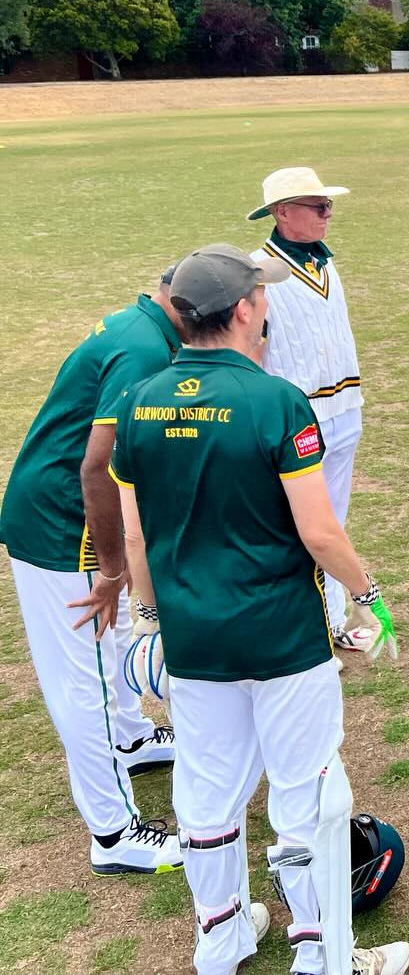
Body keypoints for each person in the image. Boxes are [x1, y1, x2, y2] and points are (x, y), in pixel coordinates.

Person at [110, 244, 409, 975]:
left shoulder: (137, 402)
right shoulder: (277, 400)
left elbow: (136, 535)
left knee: (208, 794)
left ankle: (221, 938)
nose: (268, 305)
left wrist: (149, 621)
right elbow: (319, 530)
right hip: (283, 640)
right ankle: (324, 955)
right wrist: (370, 597)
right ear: (244, 309)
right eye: (262, 296)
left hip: (195, 643)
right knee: (305, 790)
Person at [0, 268, 183, 876]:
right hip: (62, 524)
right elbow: (97, 467)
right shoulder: (143, 348)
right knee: (83, 677)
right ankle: (113, 834)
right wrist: (110, 567)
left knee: (109, 649)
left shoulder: (144, 328)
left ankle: (130, 740)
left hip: (67, 513)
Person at [248, 166, 370, 654]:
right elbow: (252, 349)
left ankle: (334, 619)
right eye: (317, 206)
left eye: (328, 205)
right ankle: (306, 632)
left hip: (345, 407)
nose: (328, 213)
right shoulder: (258, 270)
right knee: (300, 528)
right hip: (296, 419)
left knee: (333, 524)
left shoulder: (326, 263)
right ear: (282, 212)